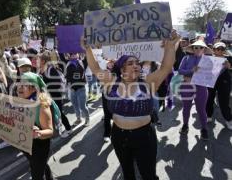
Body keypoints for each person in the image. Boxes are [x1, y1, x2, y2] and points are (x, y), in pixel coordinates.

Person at [81, 31, 181, 180]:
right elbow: (95, 68)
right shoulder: (111, 82)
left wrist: (171, 46)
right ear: (121, 70)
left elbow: (166, 67)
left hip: (144, 137)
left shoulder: (147, 83)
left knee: (148, 174)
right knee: (128, 173)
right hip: (119, 136)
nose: (136, 66)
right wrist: (87, 49)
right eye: (130, 63)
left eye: (137, 63)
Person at [18, 72, 54, 180]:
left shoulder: (42, 106)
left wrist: (38, 133)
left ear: (34, 89)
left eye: (24, 85)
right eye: (19, 84)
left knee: (36, 174)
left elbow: (50, 131)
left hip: (39, 145)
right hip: (25, 143)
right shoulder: (21, 100)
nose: (19, 87)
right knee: (36, 164)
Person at [178, 40, 212, 140]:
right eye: (195, 47)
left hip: (201, 87)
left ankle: (204, 129)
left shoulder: (208, 60)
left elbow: (212, 75)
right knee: (186, 108)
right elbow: (180, 71)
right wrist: (191, 70)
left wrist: (224, 67)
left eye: (201, 47)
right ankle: (185, 125)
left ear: (204, 49)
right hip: (187, 87)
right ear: (192, 49)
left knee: (201, 109)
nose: (198, 49)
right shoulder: (186, 58)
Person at [39, 50, 72, 138]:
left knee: (59, 113)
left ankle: (68, 129)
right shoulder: (43, 69)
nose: (37, 61)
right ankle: (54, 130)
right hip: (49, 97)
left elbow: (57, 83)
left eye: (39, 59)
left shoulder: (51, 69)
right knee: (53, 114)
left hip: (56, 96)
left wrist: (46, 89)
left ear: (43, 61)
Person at [206, 42, 232, 129]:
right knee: (209, 99)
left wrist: (230, 67)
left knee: (224, 102)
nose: (220, 51)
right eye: (217, 49)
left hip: (224, 82)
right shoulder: (209, 58)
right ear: (214, 50)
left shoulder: (229, 58)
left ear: (224, 50)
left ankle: (228, 120)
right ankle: (208, 116)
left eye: (222, 49)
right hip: (211, 81)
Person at [65, 53, 90, 126]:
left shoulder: (82, 62)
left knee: (82, 106)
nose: (73, 55)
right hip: (72, 89)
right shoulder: (68, 64)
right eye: (72, 54)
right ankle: (78, 119)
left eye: (75, 54)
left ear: (78, 54)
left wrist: (86, 49)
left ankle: (87, 119)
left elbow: (87, 57)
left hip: (81, 88)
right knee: (75, 105)